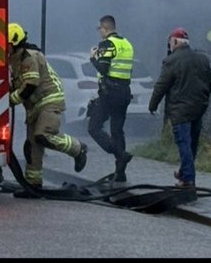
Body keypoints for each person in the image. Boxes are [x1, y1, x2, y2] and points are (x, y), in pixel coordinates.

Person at [7, 22, 87, 198]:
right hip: (34, 106)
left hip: (49, 101)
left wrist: (9, 101)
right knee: (32, 146)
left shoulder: (29, 57)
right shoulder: (16, 59)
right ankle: (33, 184)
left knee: (43, 135)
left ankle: (78, 148)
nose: (5, 49)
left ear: (15, 42)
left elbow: (30, 85)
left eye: (7, 45)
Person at [148, 28, 211, 188]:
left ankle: (188, 180)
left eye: (170, 42)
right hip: (199, 108)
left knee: (183, 142)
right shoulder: (202, 59)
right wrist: (203, 95)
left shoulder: (171, 61)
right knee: (192, 143)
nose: (169, 46)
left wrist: (153, 105)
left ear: (176, 42)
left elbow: (161, 85)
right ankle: (185, 172)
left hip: (180, 109)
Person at [87, 14, 135, 182]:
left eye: (100, 28)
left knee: (93, 127)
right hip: (124, 92)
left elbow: (104, 69)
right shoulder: (127, 44)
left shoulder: (107, 44)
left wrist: (93, 58)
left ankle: (121, 154)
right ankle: (120, 173)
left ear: (105, 28)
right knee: (117, 130)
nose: (99, 32)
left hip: (110, 93)